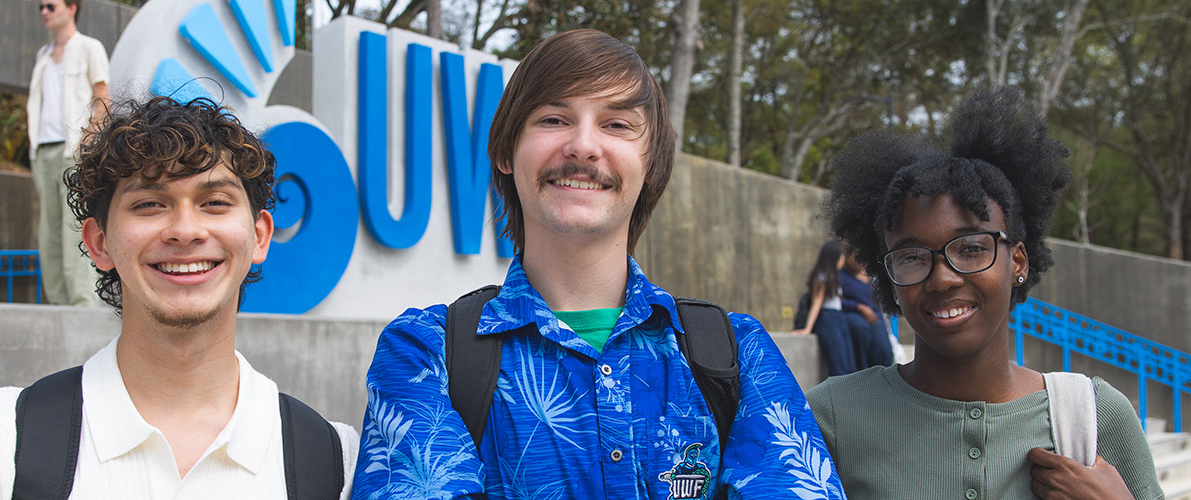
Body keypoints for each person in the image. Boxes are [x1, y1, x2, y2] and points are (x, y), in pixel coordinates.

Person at [352, 29, 846, 499]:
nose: (584, 146)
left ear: (650, 164)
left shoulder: (739, 354)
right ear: (506, 151)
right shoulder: (425, 354)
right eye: (553, 119)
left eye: (617, 124)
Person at [0, 97, 357, 499]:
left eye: (215, 202)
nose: (186, 230)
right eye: (150, 204)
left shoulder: (338, 461)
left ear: (259, 236)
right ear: (99, 242)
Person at [809, 87, 1163, 499]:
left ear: (1018, 262)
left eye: (972, 248)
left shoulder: (1095, 416)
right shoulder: (831, 416)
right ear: (887, 276)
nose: (942, 279)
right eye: (911, 257)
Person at [29, 0, 111, 306]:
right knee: (48, 231)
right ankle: (58, 304)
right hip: (43, 151)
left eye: (50, 5)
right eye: (41, 7)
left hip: (73, 152)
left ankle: (83, 304)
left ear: (72, 7)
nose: (44, 12)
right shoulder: (43, 56)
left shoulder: (89, 47)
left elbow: (103, 96)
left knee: (73, 229)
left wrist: (91, 134)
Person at [791, 241, 857, 377]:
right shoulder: (822, 277)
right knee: (839, 366)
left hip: (839, 319)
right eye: (842, 257)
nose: (843, 260)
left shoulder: (834, 277)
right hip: (829, 320)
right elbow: (817, 303)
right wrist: (808, 328)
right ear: (834, 258)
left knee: (848, 365)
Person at [838, 253, 893, 369]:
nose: (858, 259)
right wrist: (859, 307)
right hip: (853, 315)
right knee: (861, 332)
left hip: (875, 316)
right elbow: (836, 300)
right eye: (854, 256)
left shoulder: (872, 278)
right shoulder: (841, 277)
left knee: (884, 349)